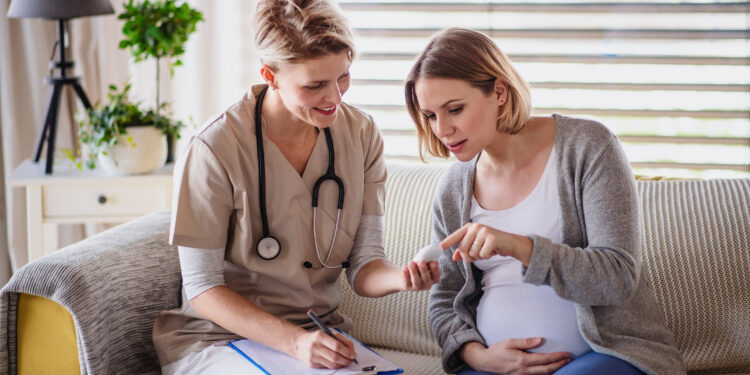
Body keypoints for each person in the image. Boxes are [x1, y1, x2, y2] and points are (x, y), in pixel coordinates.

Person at [152, 1, 440, 373]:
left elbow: (366, 264)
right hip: (219, 338)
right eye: (315, 85)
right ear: (270, 76)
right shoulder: (214, 148)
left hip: (320, 334)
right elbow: (202, 288)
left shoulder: (361, 134)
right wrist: (295, 343)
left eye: (343, 76)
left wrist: (401, 277)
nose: (335, 97)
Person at [404, 28, 686, 375]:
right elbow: (446, 300)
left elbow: (618, 276)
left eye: (455, 109)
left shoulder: (588, 147)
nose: (442, 130)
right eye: (431, 115)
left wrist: (520, 247)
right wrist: (477, 356)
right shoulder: (453, 188)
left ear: (499, 92)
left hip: (605, 356)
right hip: (492, 367)